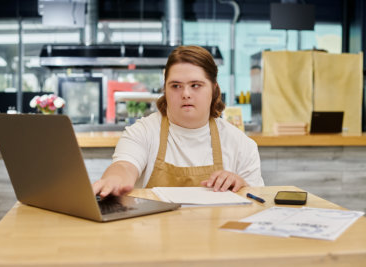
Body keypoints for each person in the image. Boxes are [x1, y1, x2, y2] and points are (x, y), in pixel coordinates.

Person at [93, 45, 264, 198]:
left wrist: (242, 185)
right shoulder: (143, 132)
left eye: (195, 85)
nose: (185, 94)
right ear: (165, 90)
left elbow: (256, 203)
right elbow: (124, 166)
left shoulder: (241, 145)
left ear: (214, 89)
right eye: (176, 86)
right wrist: (114, 179)